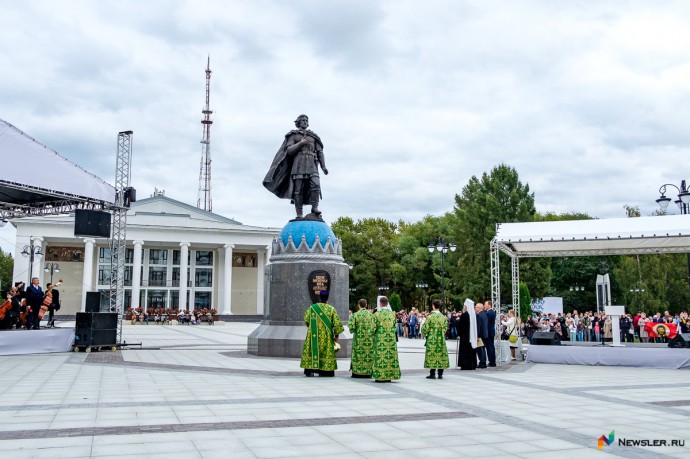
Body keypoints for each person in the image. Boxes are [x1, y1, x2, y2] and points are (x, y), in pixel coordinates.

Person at [263, 114, 328, 219]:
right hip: (298, 164)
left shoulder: (313, 136)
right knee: (298, 189)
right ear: (298, 122)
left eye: (307, 120)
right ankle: (299, 213)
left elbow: (320, 152)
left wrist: (323, 166)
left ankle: (315, 208)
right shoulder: (293, 135)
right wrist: (301, 143)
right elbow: (289, 151)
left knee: (316, 185)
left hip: (312, 163)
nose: (305, 122)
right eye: (303, 120)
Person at [300, 290, 344, 377]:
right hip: (326, 336)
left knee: (312, 351)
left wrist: (312, 327)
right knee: (326, 352)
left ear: (320, 297)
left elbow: (306, 319)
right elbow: (337, 324)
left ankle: (310, 370)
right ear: (327, 298)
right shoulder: (331, 309)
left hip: (313, 335)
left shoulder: (312, 308)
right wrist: (336, 336)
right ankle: (326, 371)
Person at [372, 296, 401, 382]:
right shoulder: (392, 314)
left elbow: (373, 327)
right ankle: (389, 375)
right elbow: (394, 327)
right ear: (387, 304)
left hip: (380, 339)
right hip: (391, 339)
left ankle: (380, 376)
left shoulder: (377, 314)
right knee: (390, 357)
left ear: (380, 304)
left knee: (380, 356)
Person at [348, 298, 376, 378]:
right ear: (366, 305)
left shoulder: (355, 315)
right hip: (370, 341)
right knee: (369, 355)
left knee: (358, 355)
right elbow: (375, 327)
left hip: (359, 341)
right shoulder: (372, 315)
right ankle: (368, 372)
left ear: (358, 305)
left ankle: (357, 372)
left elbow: (351, 328)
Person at [422, 300, 449, 379]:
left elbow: (425, 328)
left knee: (432, 353)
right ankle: (440, 373)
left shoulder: (430, 317)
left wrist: (425, 333)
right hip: (440, 338)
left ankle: (432, 373)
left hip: (432, 338)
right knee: (441, 354)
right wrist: (441, 333)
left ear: (433, 306)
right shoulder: (443, 317)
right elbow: (445, 328)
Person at [457, 299, 477, 370]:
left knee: (465, 351)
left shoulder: (465, 315)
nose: (464, 307)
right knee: (471, 350)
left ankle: (465, 365)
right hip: (471, 336)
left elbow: (460, 325)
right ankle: (472, 364)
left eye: (465, 306)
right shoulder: (473, 315)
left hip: (465, 336)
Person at [475, 303, 488, 368]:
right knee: (483, 349)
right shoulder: (484, 314)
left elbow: (478, 326)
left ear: (479, 308)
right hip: (485, 334)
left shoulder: (478, 315)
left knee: (480, 350)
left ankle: (482, 362)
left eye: (476, 307)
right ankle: (483, 362)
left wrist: (477, 335)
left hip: (480, 335)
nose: (475, 308)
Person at [484, 301, 497, 367]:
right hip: (491, 332)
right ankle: (492, 361)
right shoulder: (491, 312)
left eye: (485, 304)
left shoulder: (489, 313)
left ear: (489, 305)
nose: (484, 306)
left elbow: (487, 324)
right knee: (491, 346)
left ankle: (492, 361)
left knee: (490, 347)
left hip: (489, 332)